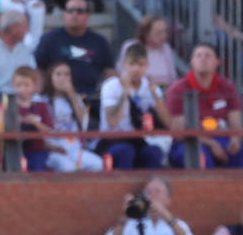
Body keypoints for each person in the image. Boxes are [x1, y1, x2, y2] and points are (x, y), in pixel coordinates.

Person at [165, 42, 243, 169]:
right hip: (190, 142)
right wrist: (211, 144)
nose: (203, 59)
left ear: (217, 62)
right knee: (201, 162)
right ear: (191, 62)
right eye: (198, 56)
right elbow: (178, 132)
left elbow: (236, 124)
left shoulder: (227, 86)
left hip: (223, 139)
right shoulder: (178, 89)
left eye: (208, 56)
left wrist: (235, 139)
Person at [97, 42, 169, 170]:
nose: (136, 69)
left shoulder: (150, 87)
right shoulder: (111, 86)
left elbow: (168, 122)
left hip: (137, 139)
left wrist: (156, 96)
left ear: (147, 65)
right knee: (126, 151)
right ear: (124, 64)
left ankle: (150, 189)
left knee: (154, 152)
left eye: (140, 65)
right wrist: (124, 93)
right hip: (112, 139)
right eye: (132, 64)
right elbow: (112, 121)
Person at [33, 0, 113, 102]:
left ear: (87, 15)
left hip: (90, 98)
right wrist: (41, 91)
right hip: (58, 99)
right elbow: (38, 68)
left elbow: (110, 71)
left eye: (79, 11)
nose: (74, 14)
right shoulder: (49, 39)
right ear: (64, 14)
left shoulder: (100, 41)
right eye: (70, 10)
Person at [100, 175, 196, 235]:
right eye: (148, 192)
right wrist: (126, 215)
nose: (152, 195)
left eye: (157, 192)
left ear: (168, 200)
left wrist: (165, 214)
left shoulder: (178, 224)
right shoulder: (131, 224)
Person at [45, 59, 102, 171]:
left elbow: (85, 122)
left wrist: (71, 93)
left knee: (98, 164)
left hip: (74, 149)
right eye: (58, 74)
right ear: (50, 77)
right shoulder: (42, 99)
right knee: (69, 168)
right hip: (54, 150)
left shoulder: (75, 98)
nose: (63, 78)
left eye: (67, 74)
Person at [10, 64, 53, 170]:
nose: (22, 89)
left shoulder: (40, 105)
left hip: (37, 150)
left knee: (37, 169)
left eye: (26, 85)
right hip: (15, 150)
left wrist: (36, 123)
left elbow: (48, 130)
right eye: (18, 85)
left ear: (34, 86)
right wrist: (18, 121)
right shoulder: (10, 106)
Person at [121, 12, 175, 88]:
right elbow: (123, 74)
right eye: (159, 33)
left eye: (165, 31)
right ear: (146, 34)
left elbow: (172, 78)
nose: (164, 36)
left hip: (162, 92)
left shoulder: (166, 49)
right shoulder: (131, 46)